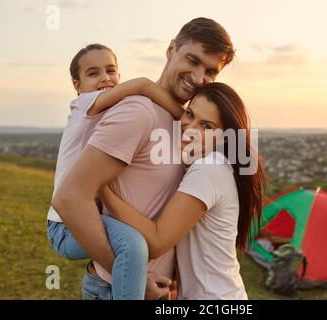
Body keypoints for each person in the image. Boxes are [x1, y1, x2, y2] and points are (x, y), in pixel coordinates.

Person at [51, 17, 235, 300]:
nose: (199, 78)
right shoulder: (138, 112)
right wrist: (131, 276)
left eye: (210, 71)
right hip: (120, 289)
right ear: (171, 49)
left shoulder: (184, 124)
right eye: (192, 60)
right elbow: (70, 198)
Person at [100, 82, 267, 299]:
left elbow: (158, 240)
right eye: (190, 114)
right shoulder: (211, 164)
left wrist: (102, 190)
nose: (190, 129)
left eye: (206, 126)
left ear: (225, 137)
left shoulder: (209, 169)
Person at [47, 43, 183, 299]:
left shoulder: (116, 112)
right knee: (132, 245)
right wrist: (182, 116)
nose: (105, 78)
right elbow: (143, 84)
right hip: (63, 227)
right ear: (77, 86)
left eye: (111, 70)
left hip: (77, 219)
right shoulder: (83, 105)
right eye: (93, 73)